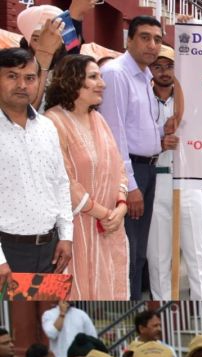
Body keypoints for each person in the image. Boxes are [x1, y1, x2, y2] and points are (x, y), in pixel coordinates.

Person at [44, 54, 130, 299]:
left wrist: (121, 205)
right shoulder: (52, 121)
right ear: (71, 80)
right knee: (74, 294)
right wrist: (104, 213)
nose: (102, 83)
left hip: (110, 227)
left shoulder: (99, 119)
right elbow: (64, 181)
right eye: (93, 77)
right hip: (75, 230)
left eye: (100, 77)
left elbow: (118, 167)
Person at [98, 16, 169, 300]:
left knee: (139, 251)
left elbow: (140, 127)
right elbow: (114, 134)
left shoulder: (145, 77)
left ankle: (135, 298)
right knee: (128, 250)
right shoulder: (116, 74)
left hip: (148, 169)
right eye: (145, 37)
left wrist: (164, 134)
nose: (152, 45)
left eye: (157, 39)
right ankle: (126, 302)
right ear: (129, 40)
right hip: (131, 172)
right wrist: (130, 185)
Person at [0, 47, 72, 288]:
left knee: (50, 308)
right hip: (8, 253)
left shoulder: (47, 127)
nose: (22, 85)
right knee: (14, 310)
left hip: (51, 251)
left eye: (30, 78)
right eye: (12, 76)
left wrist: (66, 236)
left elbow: (60, 183)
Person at [146, 44, 202, 300]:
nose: (164, 71)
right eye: (158, 66)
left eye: (170, 66)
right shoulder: (143, 99)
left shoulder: (193, 101)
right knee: (158, 256)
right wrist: (159, 139)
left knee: (196, 252)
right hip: (156, 180)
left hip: (189, 179)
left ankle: (200, 304)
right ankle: (162, 305)